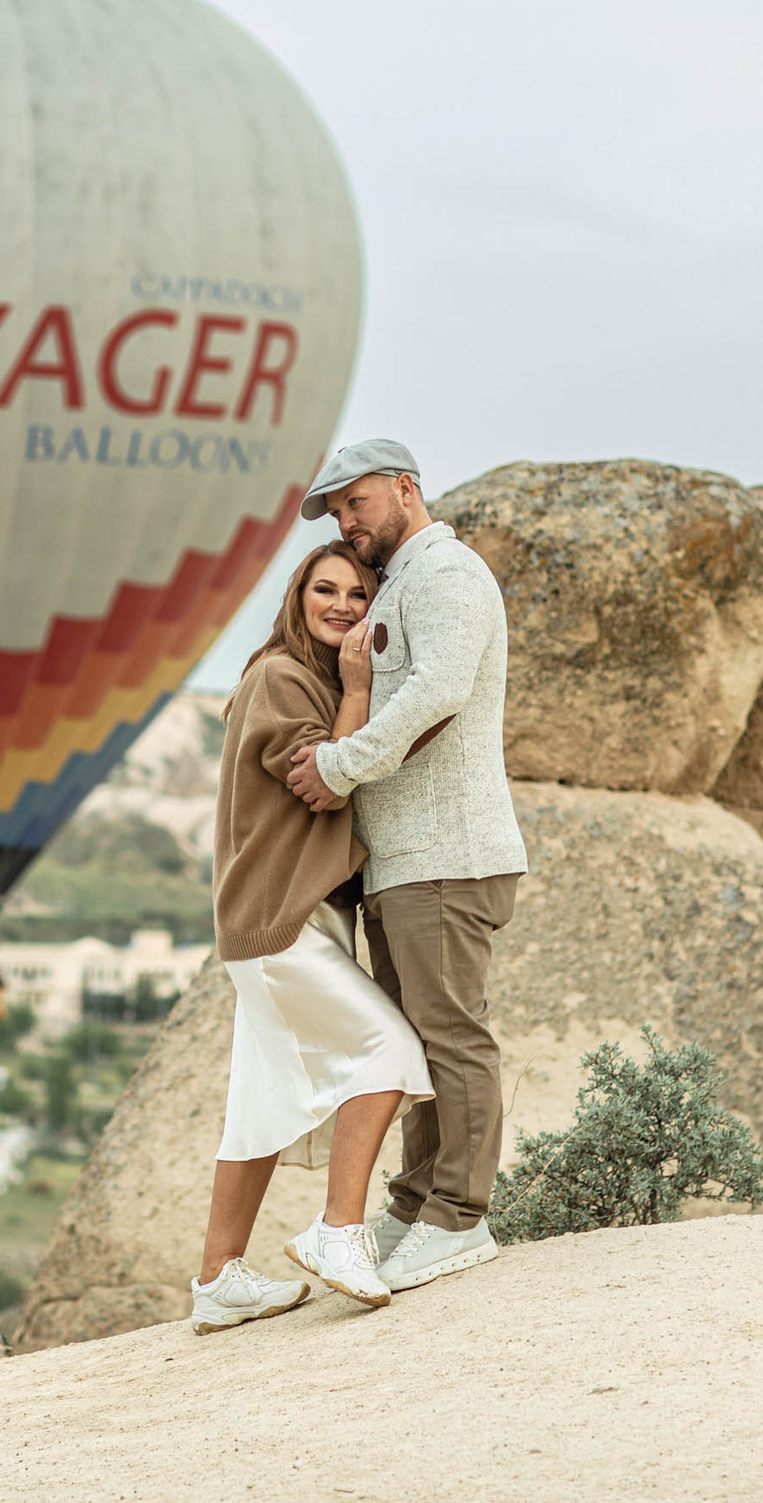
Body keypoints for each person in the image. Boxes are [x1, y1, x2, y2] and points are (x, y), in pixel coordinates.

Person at [284, 439, 527, 1294]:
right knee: (413, 1041)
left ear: (405, 490)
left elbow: (438, 693)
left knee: (452, 1034)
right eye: (336, 513)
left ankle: (459, 1216)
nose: (347, 525)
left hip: (447, 856)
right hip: (406, 862)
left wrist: (340, 766)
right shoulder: (401, 586)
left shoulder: (447, 576)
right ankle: (417, 1198)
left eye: (356, 504)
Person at [189, 539, 434, 1335]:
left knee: (258, 1103)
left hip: (284, 918)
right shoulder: (279, 677)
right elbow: (321, 780)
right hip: (279, 920)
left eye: (358, 594)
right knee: (390, 1051)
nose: (341, 604)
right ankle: (339, 1231)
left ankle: (218, 1279)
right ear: (297, 599)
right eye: (323, 589)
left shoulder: (300, 679)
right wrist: (361, 687)